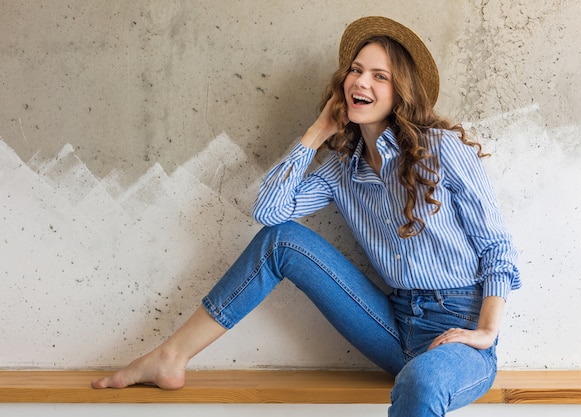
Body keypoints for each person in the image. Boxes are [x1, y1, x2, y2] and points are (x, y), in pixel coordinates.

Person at [92, 16, 521, 417]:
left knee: (423, 381)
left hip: (460, 334)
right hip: (395, 325)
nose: (361, 81)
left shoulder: (441, 149)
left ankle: (443, 361)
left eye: (379, 75)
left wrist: (484, 333)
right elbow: (269, 213)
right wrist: (316, 134)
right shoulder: (341, 169)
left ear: (400, 93)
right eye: (356, 70)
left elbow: (496, 247)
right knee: (282, 240)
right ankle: (171, 357)